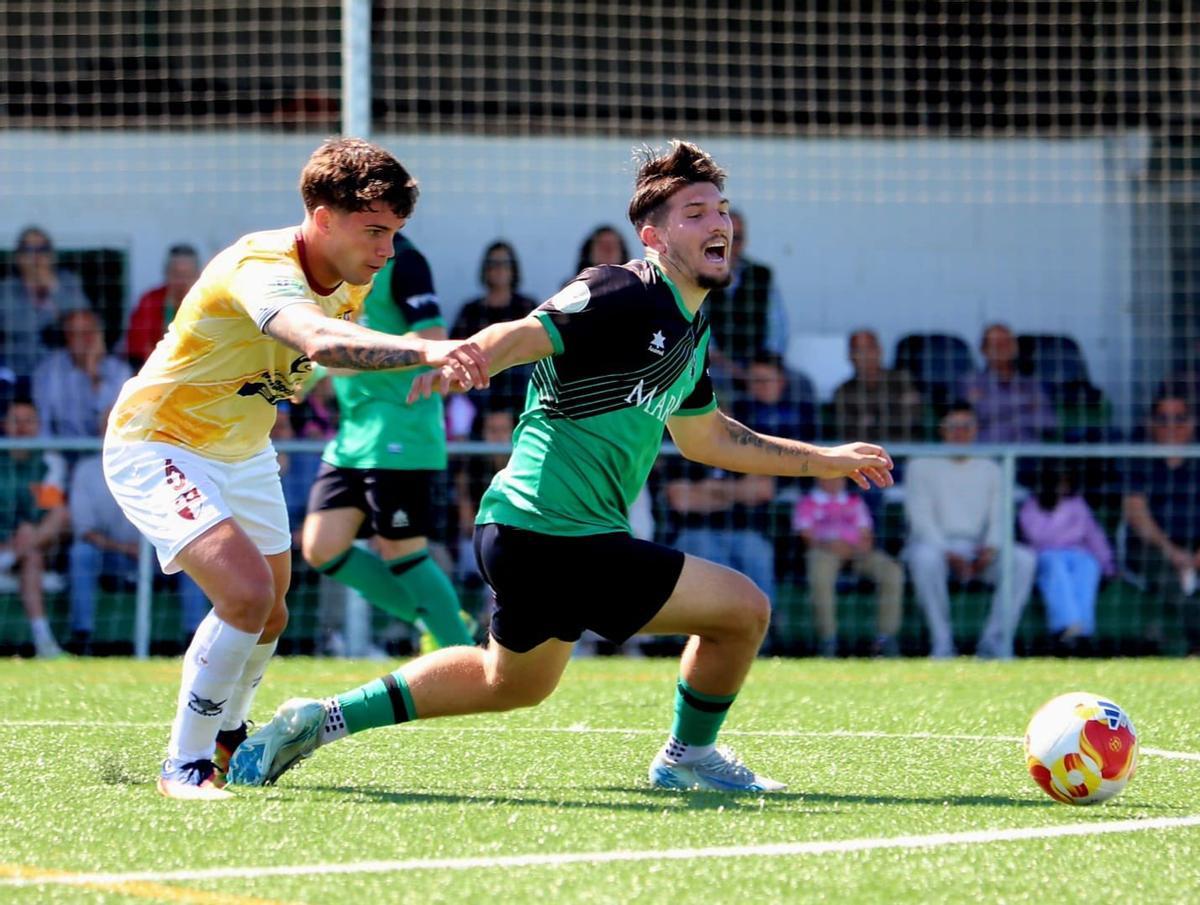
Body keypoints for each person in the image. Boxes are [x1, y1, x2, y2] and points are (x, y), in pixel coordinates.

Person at [229, 139, 893, 794]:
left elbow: (707, 438)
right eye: (695, 212)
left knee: (509, 681)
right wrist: (471, 355)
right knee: (742, 610)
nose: (717, 222)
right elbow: (525, 330)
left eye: (720, 209)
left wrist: (821, 460)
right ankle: (689, 755)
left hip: (536, 534)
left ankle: (318, 719)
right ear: (654, 237)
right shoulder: (620, 289)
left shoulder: (691, 331)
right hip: (551, 530)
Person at [101, 137, 488, 800]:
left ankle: (230, 735)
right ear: (322, 216)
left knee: (273, 612)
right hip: (159, 442)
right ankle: (185, 763)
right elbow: (319, 341)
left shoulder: (346, 283)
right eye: (374, 231)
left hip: (244, 452)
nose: (387, 251)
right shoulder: (263, 266)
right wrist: (430, 353)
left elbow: (315, 364)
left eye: (395, 234)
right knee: (246, 595)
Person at [300, 231, 475, 653]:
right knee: (321, 548)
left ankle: (465, 660)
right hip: (352, 436)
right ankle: (442, 616)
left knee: (402, 551)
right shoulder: (339, 269)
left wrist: (348, 363)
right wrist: (315, 375)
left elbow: (432, 341)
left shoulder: (407, 261)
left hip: (401, 432)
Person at [904, 400, 1036, 659]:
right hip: (935, 546)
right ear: (942, 430)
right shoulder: (920, 465)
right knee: (924, 558)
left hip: (979, 548)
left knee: (1023, 560)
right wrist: (946, 552)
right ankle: (942, 643)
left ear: (976, 430)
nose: (960, 432)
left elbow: (1000, 516)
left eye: (967, 426)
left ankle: (993, 643)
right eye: (954, 426)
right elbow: (920, 518)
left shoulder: (991, 468)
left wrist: (990, 548)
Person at [67, 415, 208, 654]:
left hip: (160, 553)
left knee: (194, 552)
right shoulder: (87, 470)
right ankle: (83, 637)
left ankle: (195, 640)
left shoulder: (167, 464)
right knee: (81, 553)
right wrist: (126, 549)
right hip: (111, 556)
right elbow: (86, 531)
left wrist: (156, 546)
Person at [1122, 391, 1200, 654]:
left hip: (1195, 545)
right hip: (1152, 549)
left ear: (1192, 423)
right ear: (1152, 423)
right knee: (1169, 578)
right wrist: (1172, 552)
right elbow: (1136, 514)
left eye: (1179, 418)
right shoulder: (1141, 460)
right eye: (1163, 419)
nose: (1171, 426)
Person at [793, 475, 905, 658]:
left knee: (892, 571)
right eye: (831, 476)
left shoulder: (854, 501)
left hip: (857, 552)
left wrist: (853, 549)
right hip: (825, 551)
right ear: (820, 478)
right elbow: (807, 537)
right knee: (819, 570)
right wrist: (832, 546)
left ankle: (886, 639)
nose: (835, 481)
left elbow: (867, 535)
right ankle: (828, 639)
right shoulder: (808, 502)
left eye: (839, 477)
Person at [1018, 460, 1114, 656]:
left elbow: (1092, 534)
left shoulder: (1077, 503)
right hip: (1045, 556)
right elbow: (1037, 536)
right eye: (1058, 481)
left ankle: (1083, 631)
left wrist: (1107, 563)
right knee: (1056, 567)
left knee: (1088, 565)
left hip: (1076, 555)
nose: (1063, 485)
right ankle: (1065, 628)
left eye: (1067, 481)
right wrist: (1068, 536)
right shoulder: (1031, 505)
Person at [0, 399, 69, 658]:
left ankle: (44, 643)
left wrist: (28, 532)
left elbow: (51, 508)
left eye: (28, 420)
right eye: (16, 420)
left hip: (33, 544)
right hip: (5, 543)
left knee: (58, 518)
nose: (22, 427)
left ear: (38, 425)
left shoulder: (48, 460)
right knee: (31, 556)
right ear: (5, 425)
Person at [700, 209, 788, 386]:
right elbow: (701, 340)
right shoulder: (697, 276)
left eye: (737, 237)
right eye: (723, 236)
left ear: (745, 241)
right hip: (714, 366)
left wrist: (763, 367)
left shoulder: (762, 275)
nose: (730, 244)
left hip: (758, 364)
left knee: (798, 384)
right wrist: (735, 371)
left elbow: (777, 332)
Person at [0, 226, 91, 381]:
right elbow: (12, 324)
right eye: (28, 249)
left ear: (51, 254)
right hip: (19, 370)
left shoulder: (68, 282)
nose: (36, 256)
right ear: (18, 257)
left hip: (63, 371)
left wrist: (53, 287)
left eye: (42, 249)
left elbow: (85, 321)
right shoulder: (7, 288)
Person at [33, 308, 131, 440]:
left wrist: (93, 373)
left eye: (91, 332)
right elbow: (44, 424)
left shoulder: (120, 371)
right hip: (59, 450)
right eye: (79, 334)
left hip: (100, 450)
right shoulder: (48, 371)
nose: (87, 339)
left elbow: (114, 422)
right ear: (68, 337)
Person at [959, 323, 1056, 443]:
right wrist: (1026, 405)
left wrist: (998, 412)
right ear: (984, 350)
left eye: (1007, 343)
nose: (1003, 349)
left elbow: (1049, 422)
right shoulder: (971, 381)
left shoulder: (1032, 384)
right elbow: (981, 414)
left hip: (1028, 452)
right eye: (996, 345)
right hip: (989, 453)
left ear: (1015, 348)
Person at [832, 328, 925, 441]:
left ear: (879, 350)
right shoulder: (844, 391)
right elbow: (849, 432)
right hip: (865, 454)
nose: (865, 355)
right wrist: (893, 410)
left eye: (869, 348)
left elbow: (912, 418)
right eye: (859, 350)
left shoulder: (902, 379)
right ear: (850, 356)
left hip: (905, 449)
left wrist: (872, 420)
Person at [125, 244, 202, 369]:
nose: (182, 281)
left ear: (199, 275)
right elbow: (136, 348)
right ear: (166, 273)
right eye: (176, 274)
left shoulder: (210, 304)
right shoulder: (149, 301)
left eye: (188, 275)